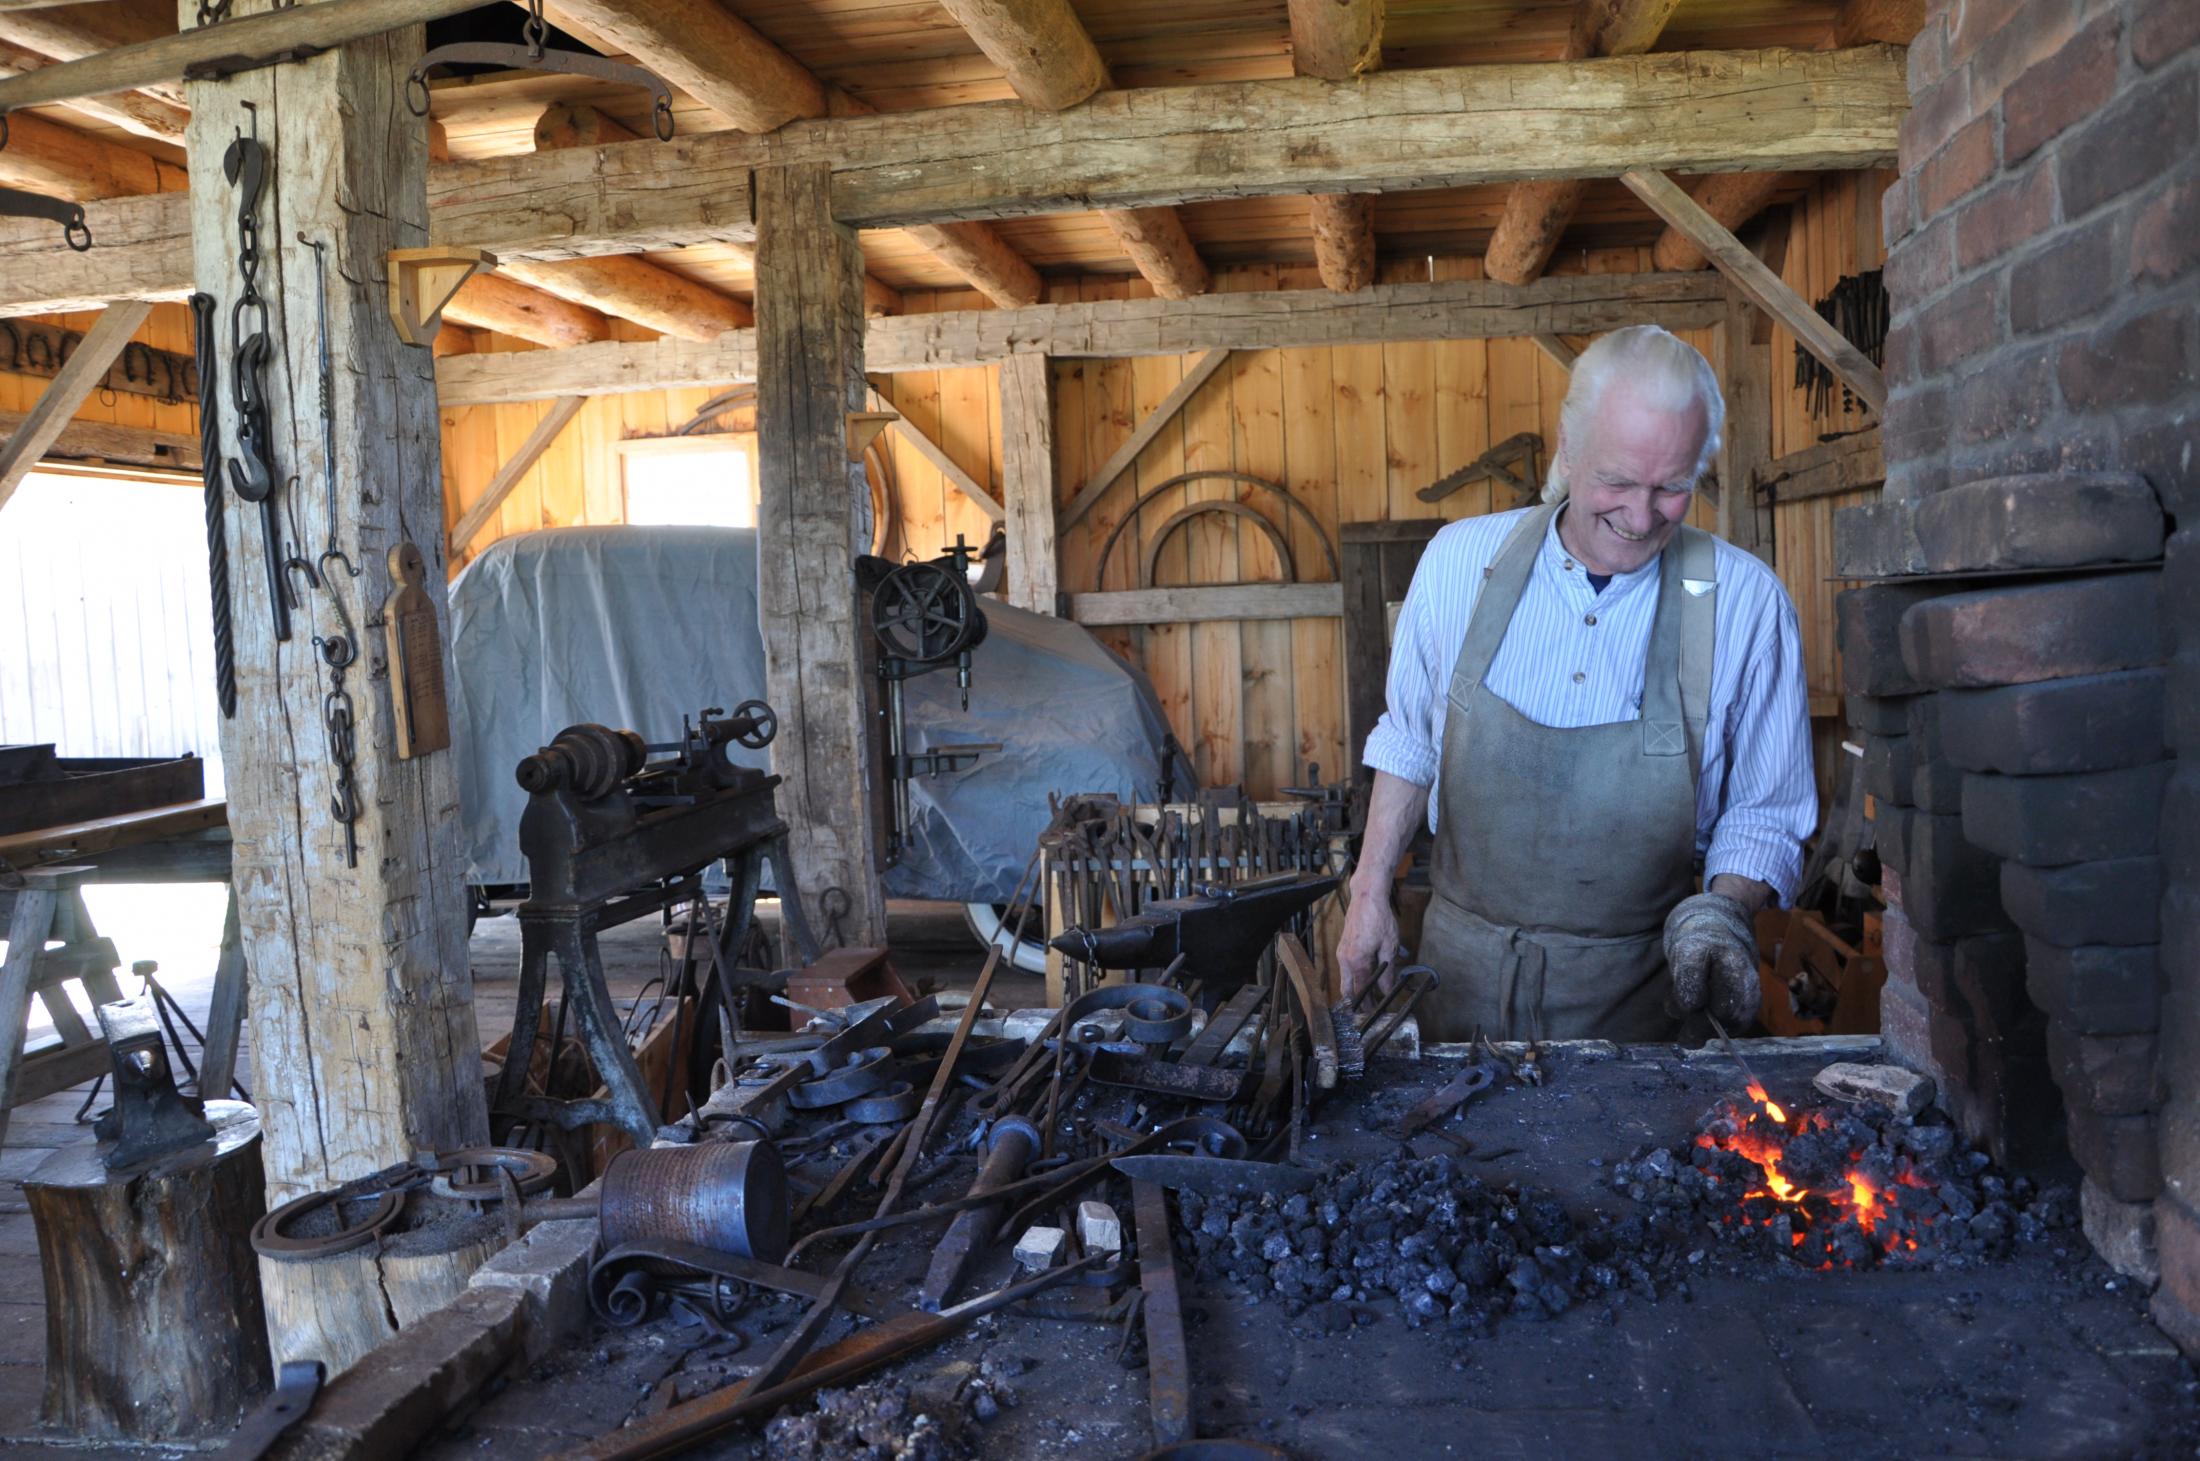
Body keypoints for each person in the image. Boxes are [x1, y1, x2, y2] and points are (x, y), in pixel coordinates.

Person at [1335, 325, 1815, 1043]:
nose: (1640, 513)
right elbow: (1409, 741)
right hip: (1452, 993)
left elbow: (1765, 816)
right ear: (1568, 443)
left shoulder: (1746, 604)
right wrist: (1369, 889)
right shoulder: (1460, 564)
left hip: (1637, 1019)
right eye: (1617, 480)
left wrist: (1723, 910)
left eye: (1673, 488)